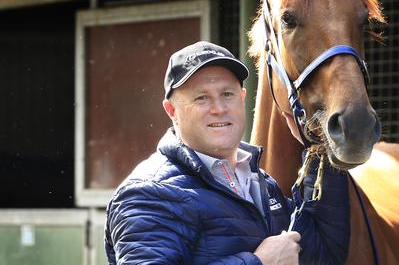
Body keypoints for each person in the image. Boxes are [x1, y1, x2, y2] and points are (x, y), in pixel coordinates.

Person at [104, 41, 350, 265]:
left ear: (242, 98)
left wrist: (320, 147)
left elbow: (324, 256)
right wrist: (258, 262)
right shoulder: (149, 193)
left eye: (227, 94)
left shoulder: (261, 183)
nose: (219, 109)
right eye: (201, 98)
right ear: (171, 111)